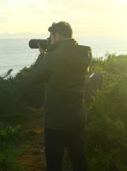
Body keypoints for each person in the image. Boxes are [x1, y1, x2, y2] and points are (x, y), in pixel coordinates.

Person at [27, 21, 92, 171]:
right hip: (77, 118)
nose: (49, 39)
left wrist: (42, 56)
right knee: (79, 161)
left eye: (50, 36)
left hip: (55, 122)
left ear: (57, 36)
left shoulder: (52, 57)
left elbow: (34, 78)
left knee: (54, 164)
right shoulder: (84, 53)